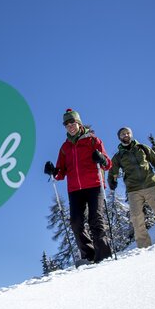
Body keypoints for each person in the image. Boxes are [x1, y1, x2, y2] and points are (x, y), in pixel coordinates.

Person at [43, 108, 113, 264]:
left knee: (96, 219)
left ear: (78, 123)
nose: (70, 126)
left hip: (94, 185)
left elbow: (108, 164)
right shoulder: (65, 147)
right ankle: (89, 255)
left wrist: (101, 158)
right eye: (66, 124)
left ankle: (104, 256)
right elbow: (60, 173)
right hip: (75, 190)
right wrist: (52, 171)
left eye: (72, 122)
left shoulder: (93, 140)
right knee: (76, 222)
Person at [107, 126, 155, 249]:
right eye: (123, 134)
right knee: (136, 218)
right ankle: (144, 246)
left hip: (150, 184)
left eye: (128, 133)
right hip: (133, 189)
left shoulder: (142, 148)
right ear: (119, 138)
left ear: (131, 134)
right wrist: (112, 181)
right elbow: (113, 171)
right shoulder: (118, 156)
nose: (126, 135)